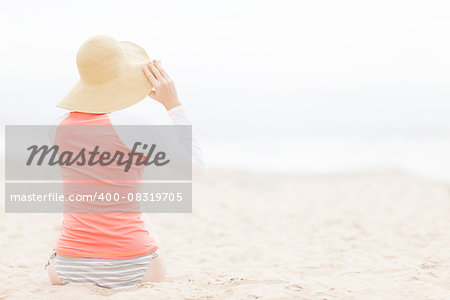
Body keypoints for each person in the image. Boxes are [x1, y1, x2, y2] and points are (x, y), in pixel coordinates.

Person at [46, 36, 206, 289]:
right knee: (140, 214)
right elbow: (196, 166)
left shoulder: (57, 126)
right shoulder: (133, 126)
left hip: (67, 267)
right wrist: (174, 105)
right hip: (134, 267)